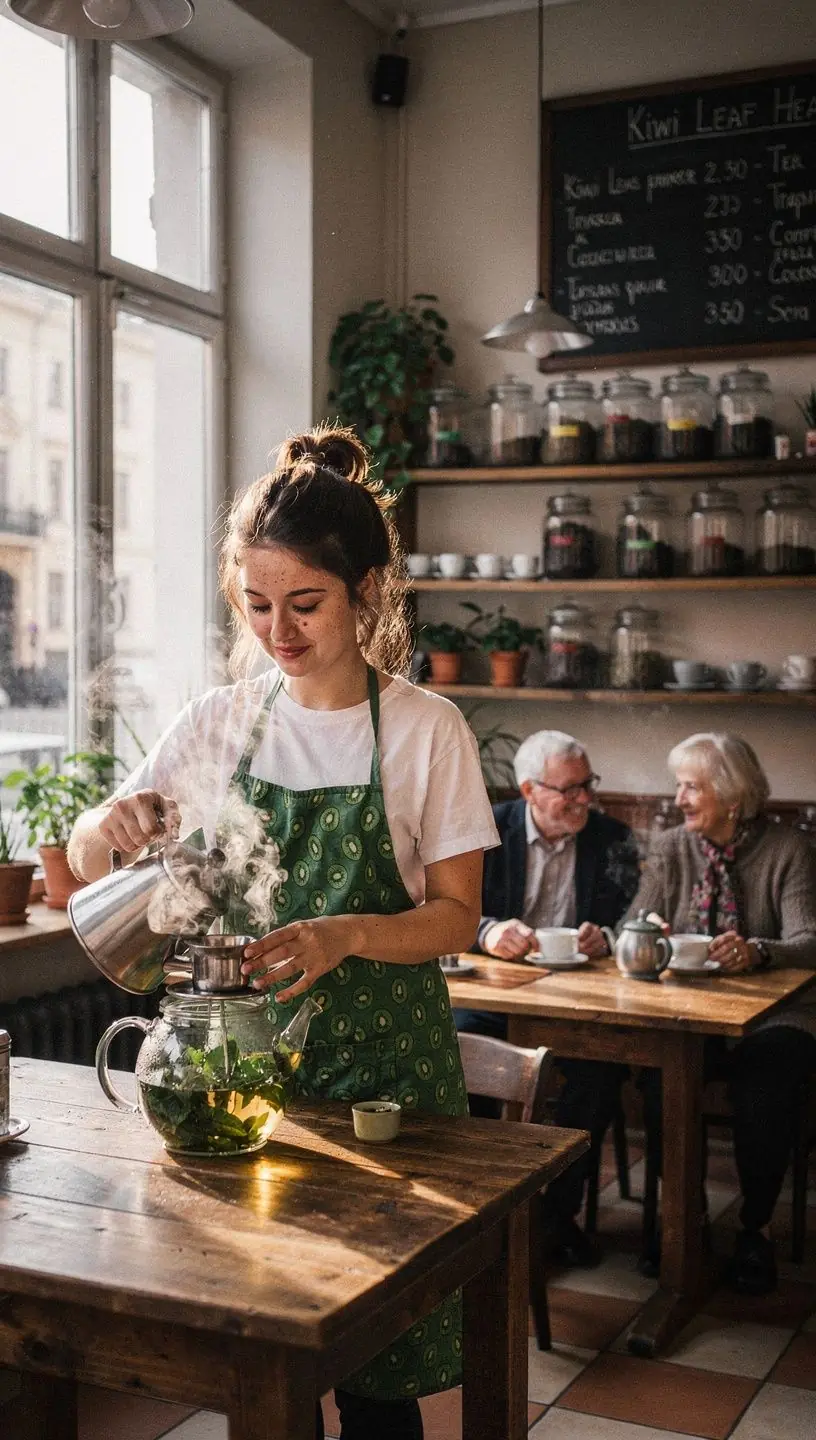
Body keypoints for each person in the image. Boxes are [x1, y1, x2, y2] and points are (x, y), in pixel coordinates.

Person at [68, 425, 500, 1440]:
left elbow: (457, 916)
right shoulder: (220, 722)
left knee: (381, 1384)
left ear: (368, 594)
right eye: (256, 606)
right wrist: (111, 824)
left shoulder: (426, 729)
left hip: (388, 1092)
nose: (279, 630)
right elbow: (89, 858)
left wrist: (346, 933)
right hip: (248, 1089)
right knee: (268, 1373)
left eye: (305, 605)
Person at [630, 732, 816, 1295]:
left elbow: (809, 940)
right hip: (690, 1011)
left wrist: (759, 951)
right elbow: (630, 923)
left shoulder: (788, 850)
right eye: (678, 786)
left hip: (778, 1015)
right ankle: (682, 1220)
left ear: (733, 797)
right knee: (666, 1077)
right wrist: (648, 933)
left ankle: (754, 1228)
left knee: (767, 1086)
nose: (679, 799)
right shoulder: (669, 848)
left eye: (692, 787)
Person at [454, 729, 640, 1266]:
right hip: (500, 996)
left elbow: (632, 918)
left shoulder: (612, 838)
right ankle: (480, 1211)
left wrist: (605, 935)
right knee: (462, 1048)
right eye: (569, 790)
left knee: (597, 1072)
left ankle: (554, 1221)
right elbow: (443, 904)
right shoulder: (486, 831)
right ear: (530, 789)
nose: (584, 800)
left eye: (588, 786)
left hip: (582, 1000)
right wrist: (487, 931)